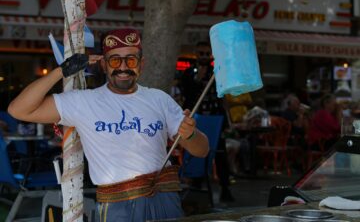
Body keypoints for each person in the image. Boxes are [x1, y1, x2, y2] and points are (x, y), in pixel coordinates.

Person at [7, 28, 209, 221]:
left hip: (165, 197)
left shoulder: (159, 99)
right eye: (115, 60)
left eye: (130, 60)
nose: (123, 67)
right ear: (104, 64)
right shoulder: (83, 101)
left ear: (141, 63)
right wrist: (62, 71)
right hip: (118, 205)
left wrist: (190, 134)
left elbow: (202, 150)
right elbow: (18, 110)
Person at [181, 41, 234, 202]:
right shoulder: (189, 73)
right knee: (196, 151)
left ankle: (225, 188)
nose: (204, 57)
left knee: (220, 154)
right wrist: (197, 78)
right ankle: (197, 185)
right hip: (196, 119)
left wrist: (228, 122)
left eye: (206, 54)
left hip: (216, 119)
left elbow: (223, 97)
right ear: (196, 54)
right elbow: (186, 94)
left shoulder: (217, 72)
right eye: (201, 53)